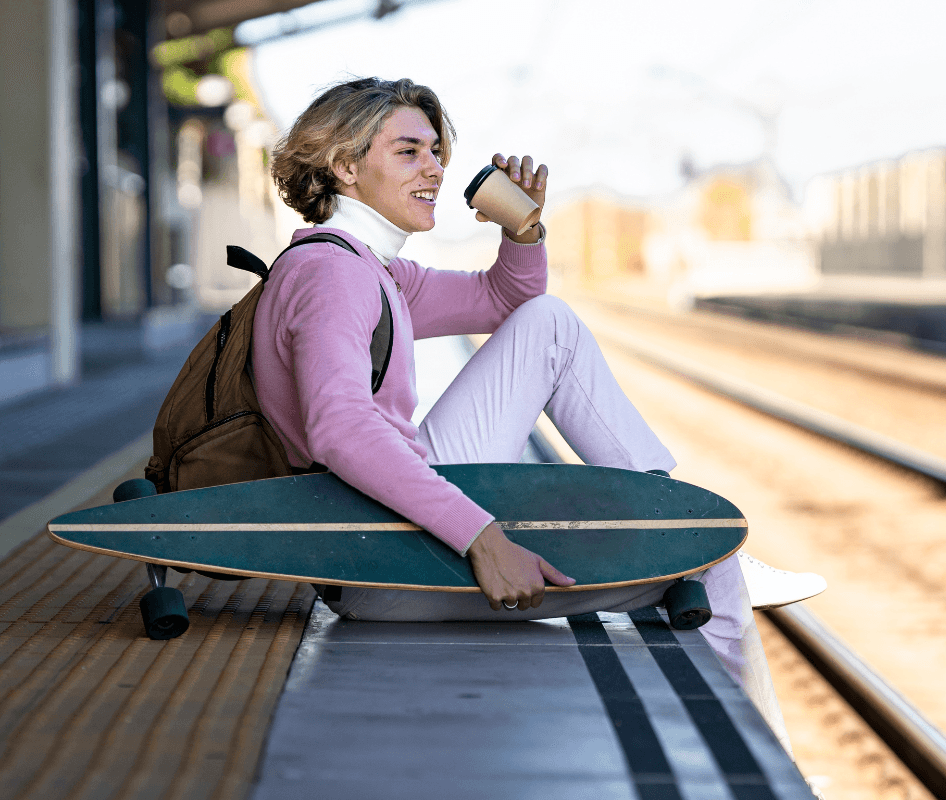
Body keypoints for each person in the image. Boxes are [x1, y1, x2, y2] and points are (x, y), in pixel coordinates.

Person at [258, 76, 818, 755]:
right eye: (408, 151)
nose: (435, 167)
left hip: (375, 535)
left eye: (436, 150)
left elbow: (505, 303)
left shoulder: (370, 269)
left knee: (549, 324)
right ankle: (757, 765)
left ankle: (683, 522)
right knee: (711, 566)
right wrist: (482, 537)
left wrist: (523, 229)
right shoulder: (334, 277)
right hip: (380, 560)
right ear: (345, 167)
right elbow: (340, 429)